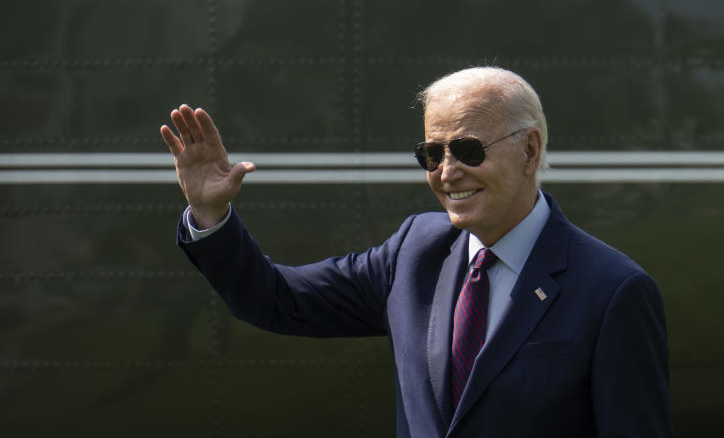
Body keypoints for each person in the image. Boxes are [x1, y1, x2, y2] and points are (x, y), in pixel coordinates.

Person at [161, 66, 671, 437]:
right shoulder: (415, 252)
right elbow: (275, 299)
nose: (448, 172)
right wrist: (212, 217)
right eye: (432, 153)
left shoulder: (613, 290)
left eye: (469, 150)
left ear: (530, 150)